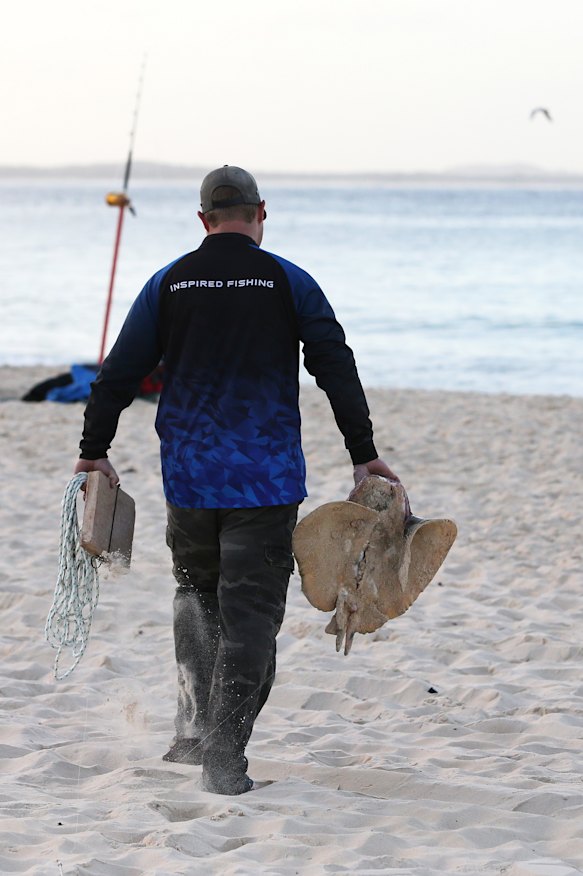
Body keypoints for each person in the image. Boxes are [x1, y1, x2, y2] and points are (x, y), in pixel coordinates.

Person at [74, 165, 398, 795]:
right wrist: (364, 454)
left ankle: (192, 736)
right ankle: (223, 757)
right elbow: (335, 364)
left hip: (190, 481)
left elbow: (117, 373)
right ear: (261, 213)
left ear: (203, 220)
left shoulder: (169, 282)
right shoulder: (287, 280)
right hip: (265, 485)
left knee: (196, 600)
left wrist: (94, 450)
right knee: (250, 619)